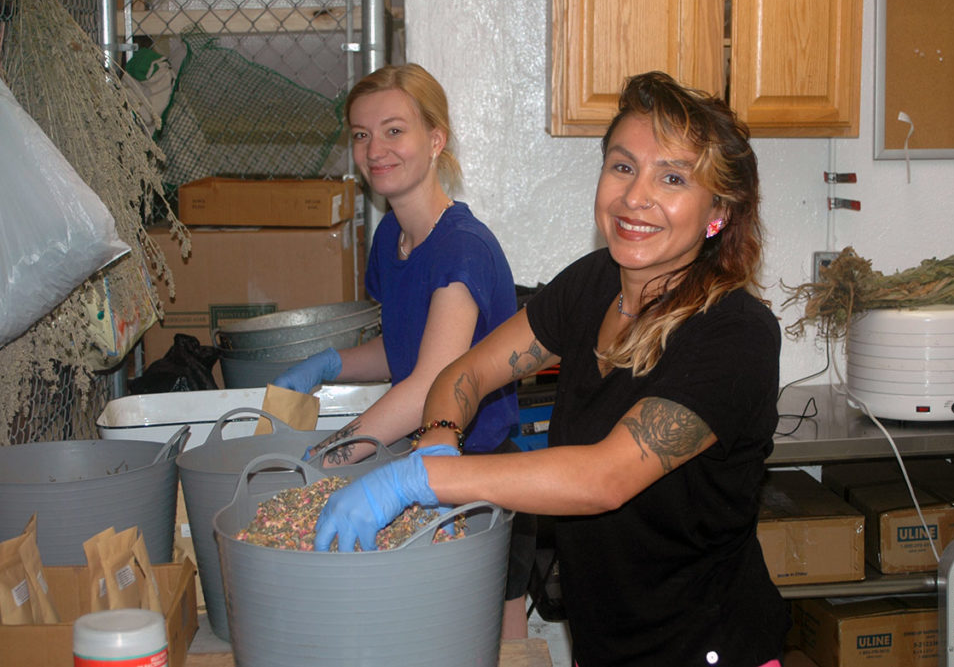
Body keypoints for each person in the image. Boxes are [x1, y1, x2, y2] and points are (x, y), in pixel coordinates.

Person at [311, 70, 791, 666]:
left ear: (717, 211)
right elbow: (468, 372)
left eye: (672, 178)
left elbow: (602, 480)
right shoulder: (594, 286)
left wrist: (419, 481)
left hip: (708, 649)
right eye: (622, 166)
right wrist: (437, 444)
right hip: (604, 643)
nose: (634, 197)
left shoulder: (734, 334)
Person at [271, 63, 533, 640]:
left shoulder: (462, 250)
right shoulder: (392, 236)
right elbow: (405, 354)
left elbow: (426, 389)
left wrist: (326, 460)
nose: (374, 150)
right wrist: (332, 363)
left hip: (477, 480)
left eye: (394, 130)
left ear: (435, 139)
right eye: (361, 135)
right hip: (416, 463)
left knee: (492, 641)